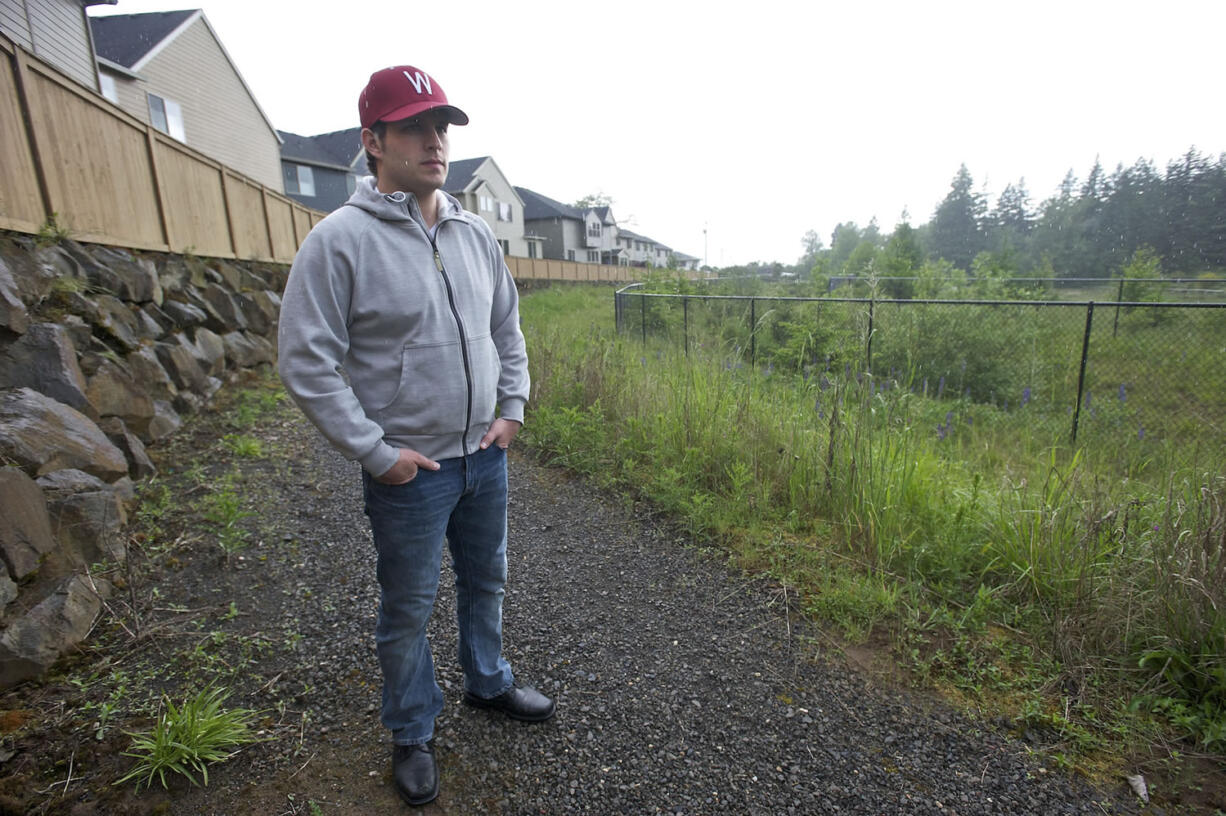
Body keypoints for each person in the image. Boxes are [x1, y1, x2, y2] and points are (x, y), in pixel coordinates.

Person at [277, 64, 554, 807]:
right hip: (412, 468)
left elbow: (506, 328)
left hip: (483, 457)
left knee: (487, 578)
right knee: (407, 605)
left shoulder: (473, 234)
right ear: (374, 140)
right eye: (414, 128)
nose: (435, 142)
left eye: (441, 127)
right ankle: (411, 729)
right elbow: (305, 361)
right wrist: (375, 452)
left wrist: (513, 407)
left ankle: (488, 683)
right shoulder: (338, 243)